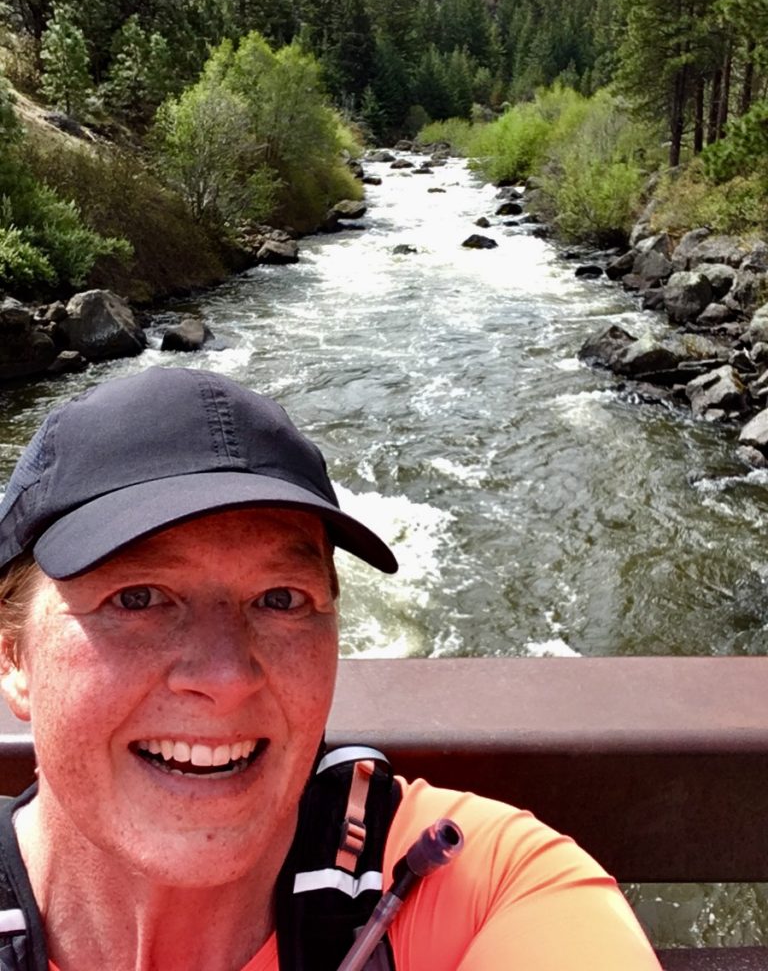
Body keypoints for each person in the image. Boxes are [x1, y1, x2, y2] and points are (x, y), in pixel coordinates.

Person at [0, 366, 661, 971]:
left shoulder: (468, 879)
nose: (227, 676)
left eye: (281, 599)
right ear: (13, 656)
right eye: (137, 598)